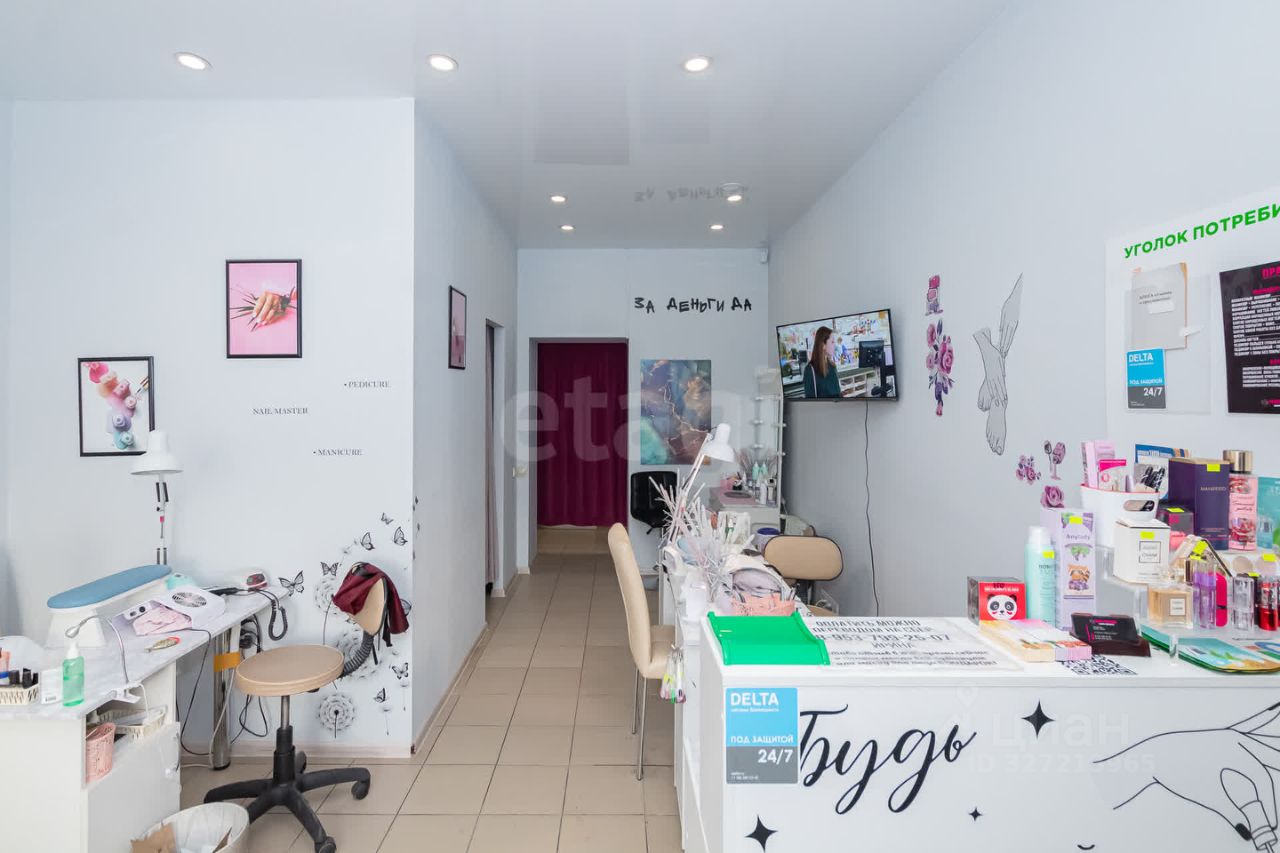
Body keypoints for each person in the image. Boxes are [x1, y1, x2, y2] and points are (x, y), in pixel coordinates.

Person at [802, 326, 841, 398]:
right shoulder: (810, 370)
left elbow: (838, 393)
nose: (834, 345)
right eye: (832, 342)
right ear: (823, 345)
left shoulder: (832, 366)